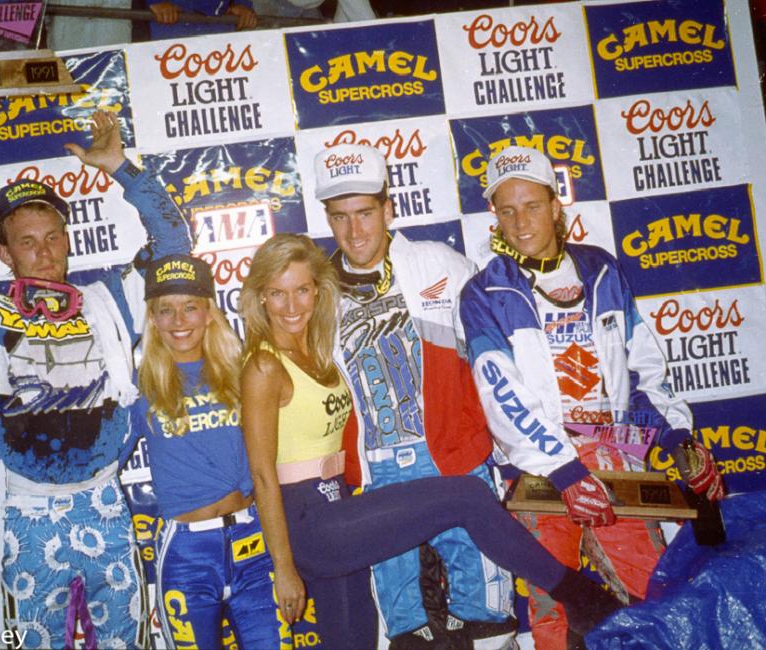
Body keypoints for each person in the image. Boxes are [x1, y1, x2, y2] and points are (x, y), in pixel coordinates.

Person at [0, 87, 191, 649]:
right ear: (5, 253)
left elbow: (174, 246)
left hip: (106, 508)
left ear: (68, 240)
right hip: (28, 513)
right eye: (27, 242)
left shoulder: (108, 300)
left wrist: (120, 167)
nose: (44, 253)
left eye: (52, 238)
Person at [239, 233, 628, 650]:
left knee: (351, 643)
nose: (292, 306)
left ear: (319, 289)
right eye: (277, 294)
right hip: (310, 524)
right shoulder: (263, 365)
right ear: (260, 298)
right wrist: (283, 566)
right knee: (465, 497)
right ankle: (582, 597)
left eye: (302, 290)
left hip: (340, 508)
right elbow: (262, 475)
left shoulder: (319, 349)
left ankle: (582, 600)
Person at [459, 145, 727, 649]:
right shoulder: (484, 293)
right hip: (540, 468)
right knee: (553, 605)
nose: (520, 222)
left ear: (556, 205)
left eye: (532, 205)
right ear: (493, 215)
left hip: (613, 452)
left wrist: (678, 437)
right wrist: (564, 469)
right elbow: (502, 396)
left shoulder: (601, 270)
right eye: (507, 210)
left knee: (650, 591)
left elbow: (643, 364)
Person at [314, 142, 515, 649]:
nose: (355, 231)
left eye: (365, 213)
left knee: (489, 610)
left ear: (389, 209)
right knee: (407, 626)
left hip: (452, 457)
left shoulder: (440, 264)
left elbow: (494, 363)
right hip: (376, 469)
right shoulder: (313, 294)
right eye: (340, 217)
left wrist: (493, 442)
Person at [131, 252, 285, 649]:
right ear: (152, 318)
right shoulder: (137, 385)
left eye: (190, 308)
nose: (179, 322)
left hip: (254, 541)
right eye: (166, 310)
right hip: (186, 554)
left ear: (209, 313)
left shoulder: (242, 371)